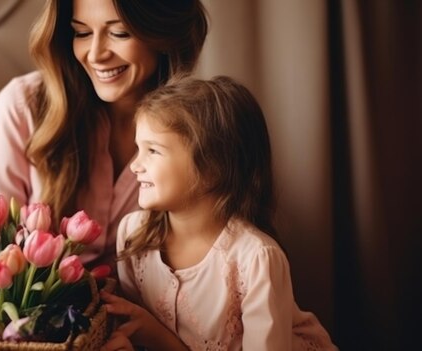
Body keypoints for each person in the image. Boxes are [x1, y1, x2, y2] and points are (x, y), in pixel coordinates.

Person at [101, 76, 337, 350]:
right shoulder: (132, 234)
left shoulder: (256, 259)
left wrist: (161, 339)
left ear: (213, 168)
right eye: (138, 149)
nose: (134, 166)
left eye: (153, 151)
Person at [0, 0, 208, 269]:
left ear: (163, 34)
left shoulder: (200, 127)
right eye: (82, 33)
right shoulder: (23, 106)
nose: (96, 54)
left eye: (119, 33)